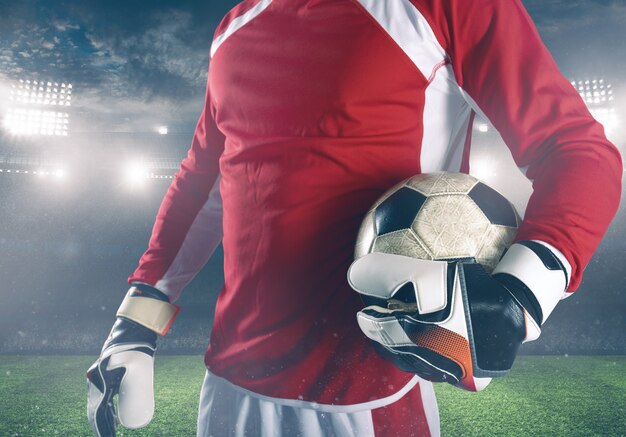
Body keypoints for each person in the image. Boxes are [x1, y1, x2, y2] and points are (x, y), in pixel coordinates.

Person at [87, 1, 622, 436]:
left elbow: (576, 150)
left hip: (367, 398)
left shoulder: (444, 6)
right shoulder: (233, 27)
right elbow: (202, 183)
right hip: (228, 390)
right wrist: (134, 323)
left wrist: (520, 294)